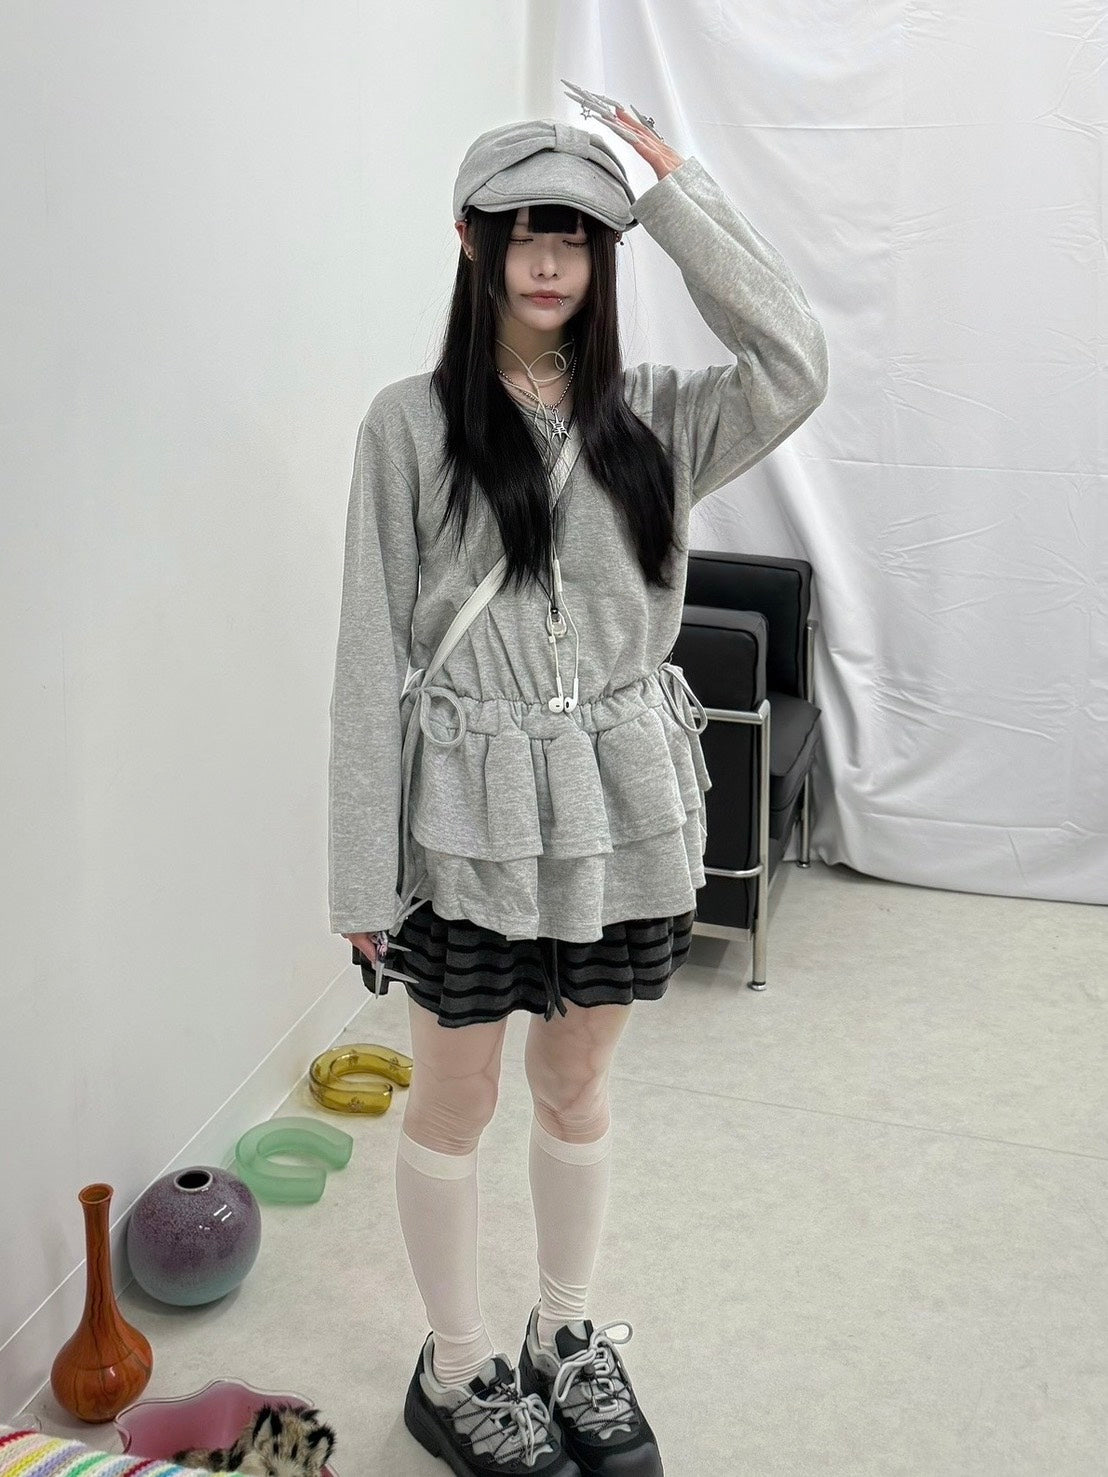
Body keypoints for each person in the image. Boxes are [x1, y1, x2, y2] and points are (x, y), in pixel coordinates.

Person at [328, 106, 829, 1476]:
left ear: (607, 255)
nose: (550, 262)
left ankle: (564, 1334)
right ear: (472, 243)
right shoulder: (410, 425)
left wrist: (673, 196)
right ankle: (456, 1368)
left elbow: (797, 359)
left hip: (620, 805)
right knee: (455, 1098)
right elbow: (369, 656)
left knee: (577, 1083)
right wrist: (359, 874)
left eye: (579, 237)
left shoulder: (658, 417)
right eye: (524, 235)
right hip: (469, 813)